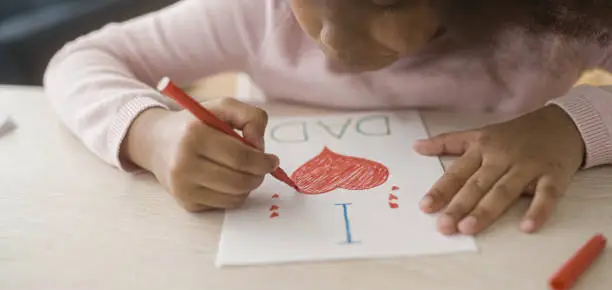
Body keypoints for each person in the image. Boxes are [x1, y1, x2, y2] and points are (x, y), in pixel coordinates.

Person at [43, 0, 612, 236]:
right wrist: (151, 132)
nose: (333, 40)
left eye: (384, 2)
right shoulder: (255, 13)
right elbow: (81, 59)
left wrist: (570, 127)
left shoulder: (552, 23)